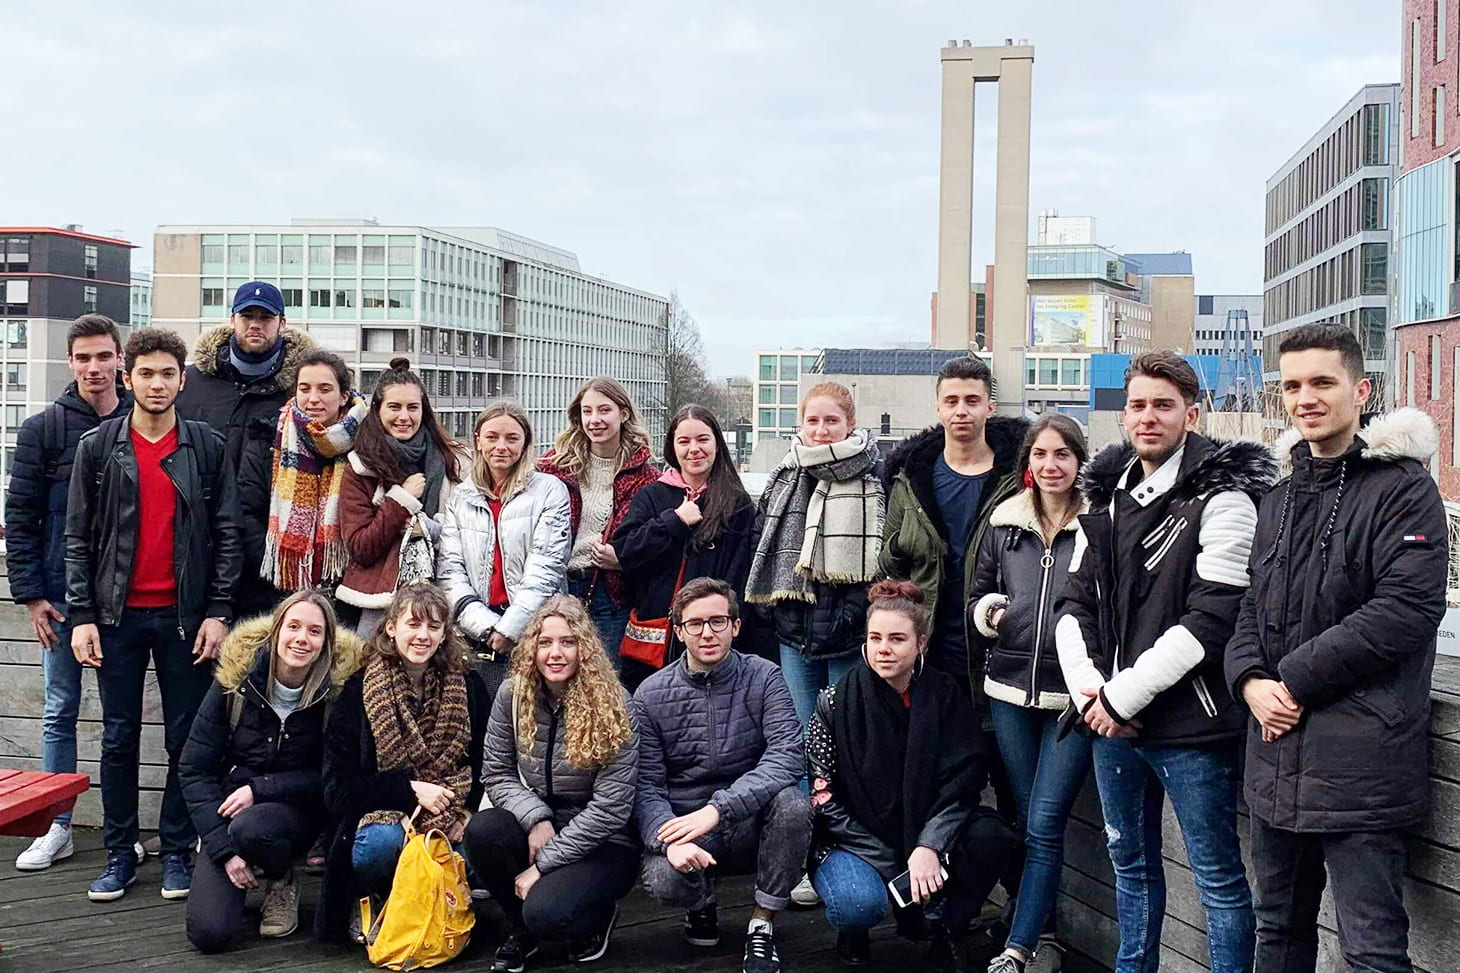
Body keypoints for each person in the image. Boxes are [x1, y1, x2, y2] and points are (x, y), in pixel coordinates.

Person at [1225, 324, 1448, 973]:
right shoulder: (1279, 494)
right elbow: (1249, 605)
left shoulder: (1402, 488)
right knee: (1278, 932)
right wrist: (1247, 680)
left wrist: (1289, 679)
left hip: (1361, 766)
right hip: (1274, 761)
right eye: (1292, 385)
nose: (1306, 397)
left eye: (1322, 382)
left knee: (1372, 950)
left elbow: (1405, 610)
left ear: (1361, 388)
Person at [1056, 350, 1275, 973]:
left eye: (1163, 405)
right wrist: (1093, 696)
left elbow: (1210, 622)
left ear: (1192, 413)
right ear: (1123, 415)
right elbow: (1073, 605)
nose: (1147, 418)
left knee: (1218, 879)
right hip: (1108, 723)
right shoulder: (1105, 497)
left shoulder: (1225, 498)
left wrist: (1119, 699)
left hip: (1192, 727)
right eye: (1137, 406)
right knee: (1131, 868)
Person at [65, 327, 243, 903]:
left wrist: (218, 610)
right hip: (115, 617)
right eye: (146, 373)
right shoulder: (98, 446)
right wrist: (83, 614)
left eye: (168, 373)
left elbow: (227, 533)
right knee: (118, 738)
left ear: (182, 380)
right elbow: (77, 537)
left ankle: (174, 851)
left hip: (185, 618)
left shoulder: (205, 446)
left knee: (184, 740)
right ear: (128, 377)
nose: (157, 383)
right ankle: (119, 854)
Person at [806, 580, 1019, 972]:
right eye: (875, 638)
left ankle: (947, 927)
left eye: (897, 639)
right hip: (855, 838)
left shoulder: (946, 697)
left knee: (993, 837)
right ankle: (855, 929)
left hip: (929, 828)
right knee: (856, 905)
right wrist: (896, 862)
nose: (884, 648)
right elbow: (823, 798)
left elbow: (964, 783)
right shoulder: (834, 702)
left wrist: (928, 846)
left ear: (921, 643)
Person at [633, 577, 811, 973]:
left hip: (747, 817)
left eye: (718, 621)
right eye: (695, 624)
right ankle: (701, 904)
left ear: (735, 625)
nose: (707, 633)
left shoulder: (764, 676)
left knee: (794, 805)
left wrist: (719, 808)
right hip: (685, 824)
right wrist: (668, 840)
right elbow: (645, 785)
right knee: (664, 879)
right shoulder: (649, 694)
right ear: (678, 631)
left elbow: (787, 755)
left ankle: (762, 924)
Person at [6, 314, 132, 871]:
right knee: (60, 708)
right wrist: (31, 595)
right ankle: (57, 823)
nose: (94, 367)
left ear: (119, 359)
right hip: (59, 597)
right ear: (70, 361)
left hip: (124, 598)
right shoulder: (45, 428)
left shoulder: (143, 420)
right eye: (84, 357)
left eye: (104, 356)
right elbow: (21, 515)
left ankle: (120, 830)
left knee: (119, 715)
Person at [967, 415, 1091, 973]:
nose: (1050, 466)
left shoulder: (1100, 525)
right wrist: (993, 612)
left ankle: (1018, 947)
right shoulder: (1005, 524)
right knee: (1023, 817)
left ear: (1079, 462)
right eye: (1041, 455)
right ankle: (1038, 931)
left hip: (1073, 701)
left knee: (1044, 822)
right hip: (1009, 690)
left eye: (1062, 455)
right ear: (1028, 465)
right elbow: (979, 591)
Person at [179, 590, 365, 953]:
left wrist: (259, 788)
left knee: (254, 828)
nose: (301, 639)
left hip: (303, 812)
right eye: (293, 627)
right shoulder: (236, 681)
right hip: (230, 814)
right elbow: (193, 769)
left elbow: (334, 775)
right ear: (276, 631)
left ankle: (281, 879)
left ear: (326, 641)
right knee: (209, 933)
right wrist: (222, 850)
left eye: (314, 631)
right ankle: (248, 863)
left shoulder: (338, 691)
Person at [465, 595, 640, 972]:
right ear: (532, 648)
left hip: (603, 839)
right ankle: (520, 927)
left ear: (585, 649)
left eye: (567, 642)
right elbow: (496, 772)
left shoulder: (615, 703)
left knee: (547, 913)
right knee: (482, 830)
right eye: (545, 642)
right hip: (541, 817)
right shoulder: (513, 694)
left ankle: (595, 917)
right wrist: (537, 819)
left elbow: (612, 808)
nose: (555, 653)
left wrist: (543, 864)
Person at [316, 582, 490, 944]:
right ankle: (379, 900)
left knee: (480, 845)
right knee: (378, 846)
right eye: (413, 624)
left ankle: (437, 911)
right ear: (391, 628)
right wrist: (409, 791)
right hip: (383, 818)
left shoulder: (469, 686)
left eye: (433, 626)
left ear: (445, 634)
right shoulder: (358, 690)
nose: (422, 635)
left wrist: (468, 812)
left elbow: (486, 764)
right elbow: (338, 789)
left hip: (451, 811)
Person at [880, 355, 1028, 695]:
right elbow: (887, 565)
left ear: (990, 407)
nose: (961, 410)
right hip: (930, 641)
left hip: (997, 640)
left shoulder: (1017, 480)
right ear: (938, 408)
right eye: (952, 401)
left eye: (972, 400)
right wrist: (906, 545)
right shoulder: (912, 479)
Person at [175, 281, 316, 618]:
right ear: (232, 320)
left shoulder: (304, 390)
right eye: (247, 316)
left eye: (265, 317)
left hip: (271, 562)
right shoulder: (191, 384)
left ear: (282, 323)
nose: (256, 324)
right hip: (198, 553)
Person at [746, 381, 882, 723]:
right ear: (802, 424)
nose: (822, 431)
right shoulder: (784, 475)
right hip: (794, 631)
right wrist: (774, 609)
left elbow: (886, 556)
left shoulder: (875, 476)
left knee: (846, 732)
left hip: (851, 633)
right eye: (813, 421)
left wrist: (853, 612)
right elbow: (760, 537)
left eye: (832, 421)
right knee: (803, 734)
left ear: (850, 424)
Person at [613, 405, 755, 690]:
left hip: (709, 634)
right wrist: (675, 520)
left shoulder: (736, 502)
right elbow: (626, 549)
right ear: (672, 447)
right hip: (653, 637)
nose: (694, 449)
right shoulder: (653, 494)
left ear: (717, 444)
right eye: (684, 441)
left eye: (703, 439)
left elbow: (739, 574)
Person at [438, 400, 572, 699]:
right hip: (476, 633)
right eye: (492, 437)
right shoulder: (461, 497)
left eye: (512, 438)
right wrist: (486, 628)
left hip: (537, 629)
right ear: (478, 441)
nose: (501, 446)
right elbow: (450, 572)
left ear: (525, 443)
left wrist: (509, 629)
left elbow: (545, 569)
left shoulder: (549, 491)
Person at [336, 358, 465, 635]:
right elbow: (361, 547)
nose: (404, 417)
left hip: (440, 593)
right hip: (381, 602)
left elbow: (465, 533)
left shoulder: (451, 461)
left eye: (412, 407)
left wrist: (426, 527)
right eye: (394, 407)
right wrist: (401, 501)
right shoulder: (361, 466)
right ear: (378, 410)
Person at [537, 377, 660, 663]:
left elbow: (657, 546)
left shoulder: (647, 478)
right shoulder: (554, 467)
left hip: (610, 594)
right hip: (558, 586)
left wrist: (623, 559)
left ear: (624, 413)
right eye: (587, 411)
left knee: (605, 680)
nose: (595, 419)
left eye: (604, 410)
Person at [260, 349, 371, 593]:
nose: (313, 398)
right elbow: (250, 506)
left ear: (343, 396)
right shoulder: (274, 435)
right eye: (305, 388)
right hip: (288, 587)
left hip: (353, 581)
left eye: (324, 389)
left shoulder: (369, 441)